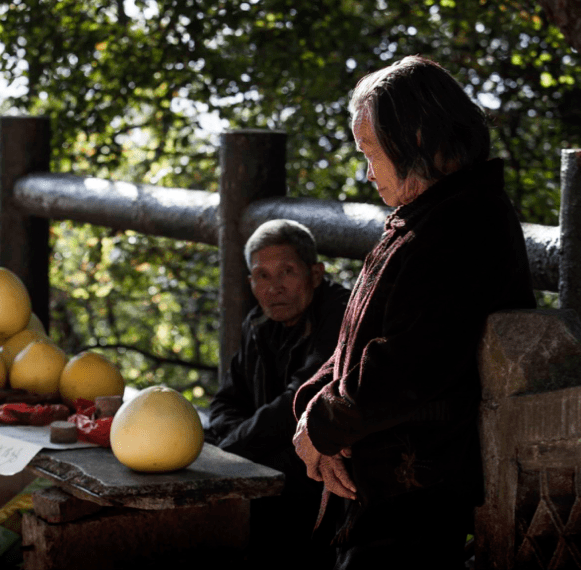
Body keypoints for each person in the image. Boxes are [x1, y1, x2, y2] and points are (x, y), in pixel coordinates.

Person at [292, 55, 537, 569]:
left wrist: (322, 425)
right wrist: (312, 404)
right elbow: (352, 344)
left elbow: (409, 365)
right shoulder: (423, 215)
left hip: (421, 491)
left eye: (371, 153)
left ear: (419, 138)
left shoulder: (466, 227)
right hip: (384, 483)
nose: (366, 172)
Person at [206, 219, 350, 568]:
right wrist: (232, 441)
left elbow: (299, 401)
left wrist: (229, 451)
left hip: (325, 467)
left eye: (286, 271)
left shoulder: (338, 314)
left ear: (315, 273)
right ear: (250, 282)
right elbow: (227, 400)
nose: (274, 288)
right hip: (265, 453)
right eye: (262, 276)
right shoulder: (259, 323)